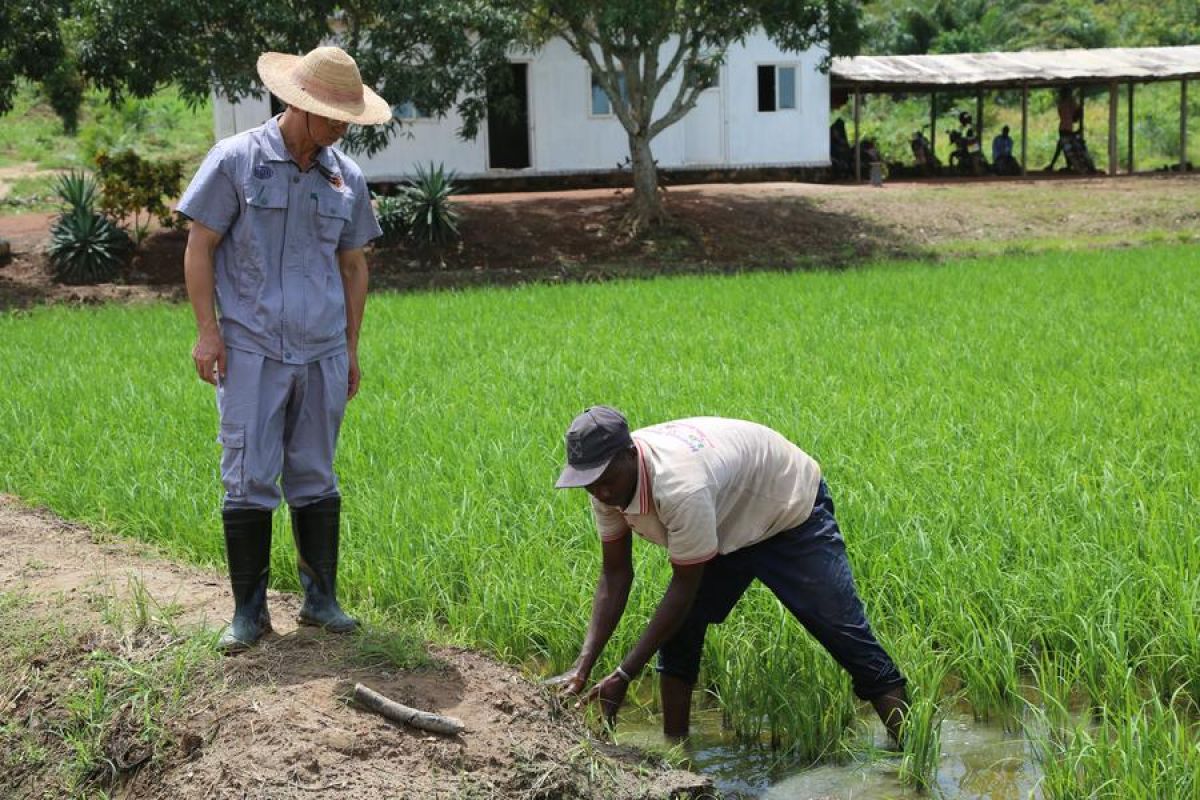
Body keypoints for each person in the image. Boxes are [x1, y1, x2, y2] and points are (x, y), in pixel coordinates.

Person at [178, 46, 390, 652]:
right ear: (297, 104)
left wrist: (349, 349)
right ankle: (249, 613)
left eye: (348, 118)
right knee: (246, 476)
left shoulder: (345, 176)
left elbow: (353, 267)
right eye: (331, 116)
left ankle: (321, 600)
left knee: (316, 474)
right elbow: (200, 245)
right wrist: (207, 331)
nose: (341, 128)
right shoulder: (237, 161)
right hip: (252, 349)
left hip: (322, 350)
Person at [548, 407, 909, 743]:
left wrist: (623, 676)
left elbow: (685, 585)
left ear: (630, 454)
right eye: (590, 483)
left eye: (606, 479)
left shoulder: (679, 485)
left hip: (787, 510)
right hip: (724, 518)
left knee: (844, 634)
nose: (601, 491)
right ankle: (676, 755)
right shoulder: (603, 484)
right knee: (681, 630)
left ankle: (913, 747)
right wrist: (583, 667)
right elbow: (615, 573)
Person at [1046, 88, 1080, 171]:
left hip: (1062, 128)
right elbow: (1075, 118)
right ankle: (1066, 165)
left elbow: (1065, 116)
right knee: (1066, 147)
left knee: (1063, 146)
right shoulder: (1071, 103)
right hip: (1067, 128)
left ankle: (1054, 164)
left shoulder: (1061, 104)